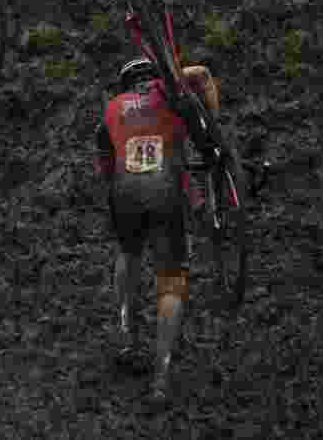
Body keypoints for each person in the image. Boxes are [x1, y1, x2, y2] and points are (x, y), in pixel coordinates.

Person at [93, 52, 222, 404]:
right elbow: (203, 74)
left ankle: (126, 336)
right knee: (171, 279)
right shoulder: (171, 92)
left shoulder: (112, 106)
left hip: (123, 188)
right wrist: (214, 130)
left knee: (128, 253)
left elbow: (104, 166)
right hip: (166, 185)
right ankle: (161, 378)